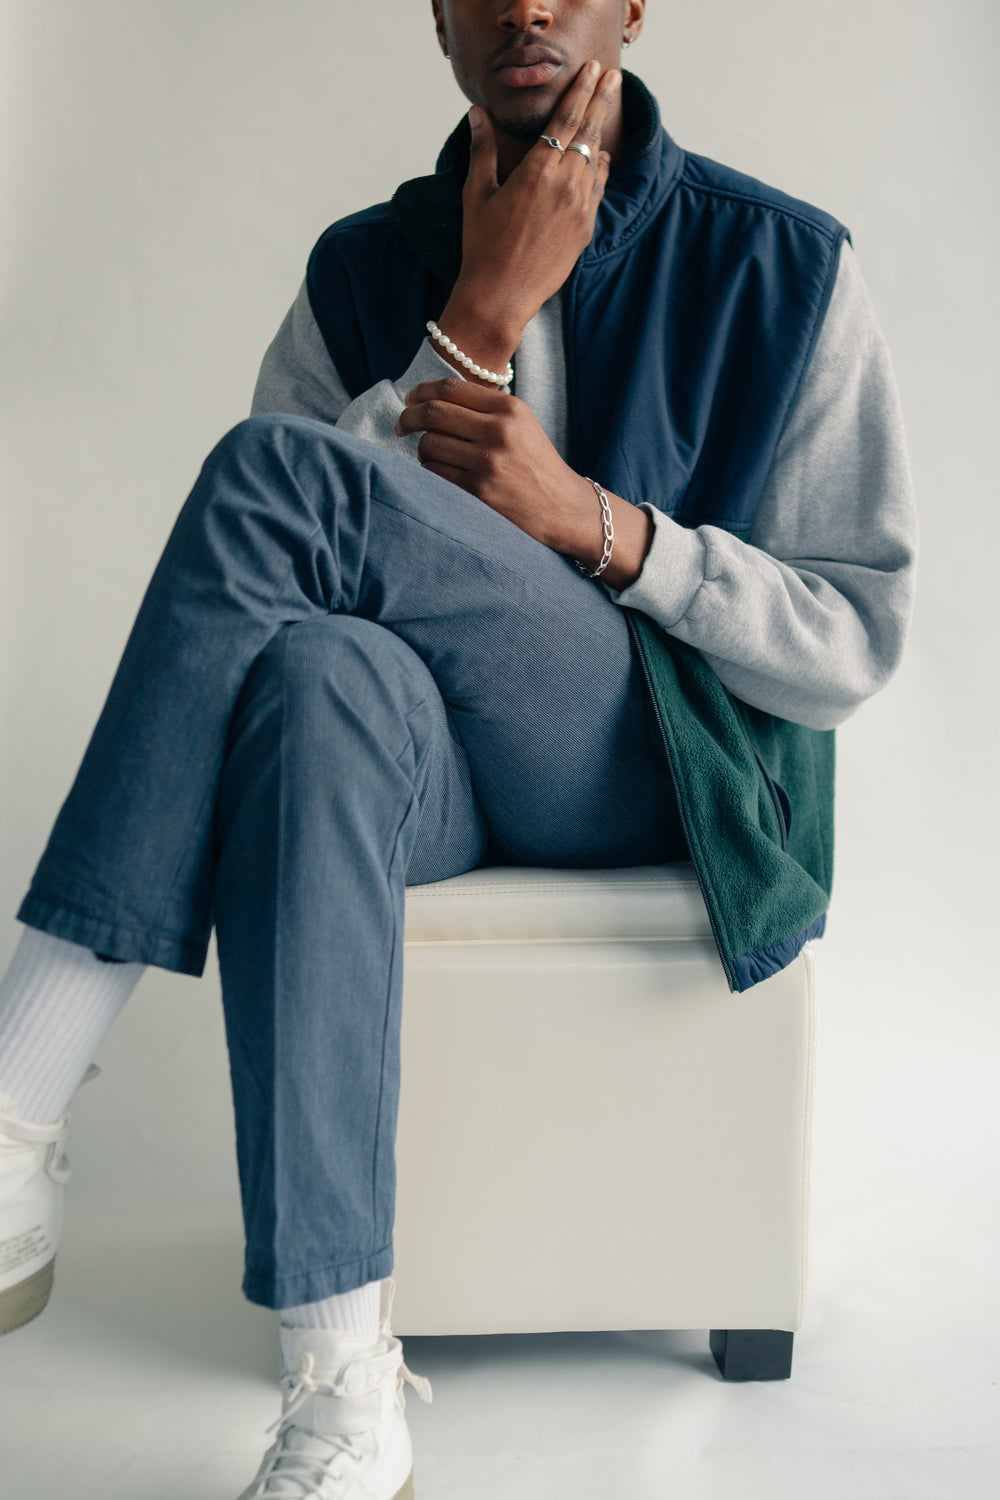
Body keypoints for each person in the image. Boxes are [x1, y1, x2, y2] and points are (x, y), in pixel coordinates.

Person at [0, 2, 916, 1496]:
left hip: (658, 761)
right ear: (435, 8)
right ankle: (343, 1389)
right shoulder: (365, 268)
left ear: (629, 3)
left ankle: (18, 1099)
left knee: (272, 475)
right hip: (424, 767)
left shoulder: (781, 264)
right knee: (311, 681)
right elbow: (248, 599)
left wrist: (608, 534)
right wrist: (474, 322)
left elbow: (858, 637)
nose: (526, 7)